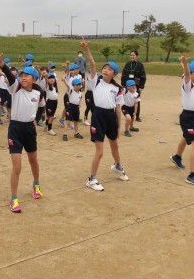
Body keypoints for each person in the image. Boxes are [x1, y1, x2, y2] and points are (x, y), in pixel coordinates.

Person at [0, 49, 43, 213]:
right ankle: (14, 199)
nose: (23, 77)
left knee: (33, 161)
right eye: (21, 75)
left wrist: (37, 118)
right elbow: (10, 75)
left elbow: (41, 107)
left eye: (27, 75)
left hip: (29, 129)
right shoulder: (15, 88)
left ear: (34, 79)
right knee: (17, 166)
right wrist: (1, 63)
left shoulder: (38, 92)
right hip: (15, 129)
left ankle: (36, 184)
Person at [80, 40, 129, 191]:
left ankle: (118, 167)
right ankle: (91, 179)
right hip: (98, 116)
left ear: (115, 73)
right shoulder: (96, 81)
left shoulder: (118, 88)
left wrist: (119, 125)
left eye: (109, 69)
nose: (106, 70)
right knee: (100, 151)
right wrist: (87, 49)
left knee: (115, 145)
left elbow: (118, 108)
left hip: (111, 116)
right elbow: (93, 64)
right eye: (105, 68)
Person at [170, 57, 194, 187]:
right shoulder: (188, 85)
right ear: (190, 74)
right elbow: (186, 75)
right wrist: (185, 63)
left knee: (186, 137)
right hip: (187, 117)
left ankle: (177, 157)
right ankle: (192, 176)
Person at [121, 51, 146, 122]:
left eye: (133, 55)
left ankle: (137, 116)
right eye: (131, 55)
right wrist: (123, 85)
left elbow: (143, 77)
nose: (132, 56)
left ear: (137, 56)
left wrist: (141, 87)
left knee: (136, 100)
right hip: (127, 85)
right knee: (127, 99)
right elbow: (123, 75)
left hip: (136, 86)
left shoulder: (140, 65)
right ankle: (128, 113)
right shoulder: (128, 64)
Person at [61, 77, 83, 141]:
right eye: (76, 85)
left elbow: (80, 99)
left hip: (76, 108)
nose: (78, 86)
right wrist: (64, 81)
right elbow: (68, 87)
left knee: (76, 121)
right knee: (68, 121)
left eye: (79, 85)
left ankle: (76, 133)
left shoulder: (80, 93)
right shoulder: (71, 91)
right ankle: (65, 134)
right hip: (70, 107)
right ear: (73, 86)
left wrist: (79, 104)